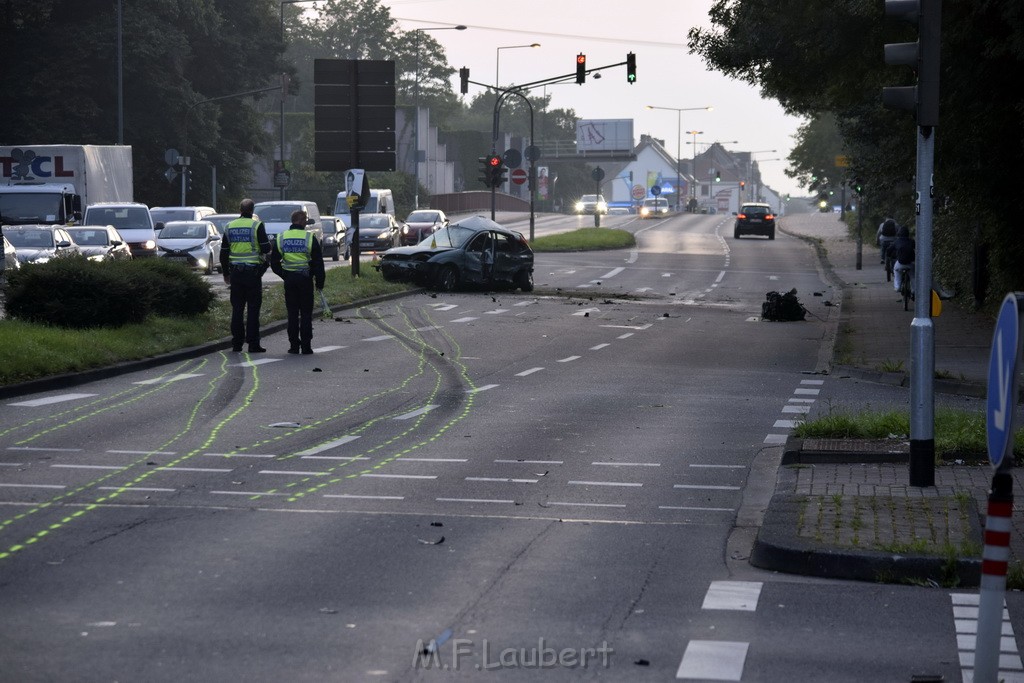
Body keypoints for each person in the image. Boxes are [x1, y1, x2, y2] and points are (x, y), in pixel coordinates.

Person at [270, 209, 325, 355]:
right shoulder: (309, 237)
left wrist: (284, 274)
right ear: (301, 221)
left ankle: (294, 346)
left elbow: (274, 262)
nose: (306, 223)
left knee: (292, 313)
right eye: (305, 220)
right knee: (306, 314)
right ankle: (306, 346)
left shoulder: (282, 237)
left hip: (290, 280)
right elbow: (318, 263)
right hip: (305, 280)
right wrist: (319, 281)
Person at [219, 199, 272, 353]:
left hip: (235, 274)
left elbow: (224, 252)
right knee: (253, 309)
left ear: (239, 209)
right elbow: (265, 248)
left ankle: (236, 343)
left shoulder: (229, 226)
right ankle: (253, 344)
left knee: (237, 309)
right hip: (252, 274)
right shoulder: (257, 225)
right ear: (252, 210)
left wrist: (226, 273)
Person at [887, 225, 915, 295]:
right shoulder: (911, 241)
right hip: (910, 264)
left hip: (900, 263)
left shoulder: (897, 241)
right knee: (913, 276)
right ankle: (913, 289)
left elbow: (889, 250)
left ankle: (897, 286)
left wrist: (889, 255)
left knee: (896, 271)